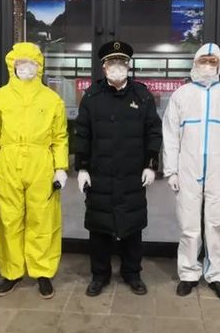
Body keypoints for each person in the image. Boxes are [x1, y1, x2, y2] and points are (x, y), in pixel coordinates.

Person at [162, 43, 220, 302]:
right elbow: (170, 135)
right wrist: (171, 171)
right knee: (189, 226)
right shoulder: (181, 95)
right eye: (204, 60)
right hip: (187, 170)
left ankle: (217, 276)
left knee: (217, 224)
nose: (208, 66)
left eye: (213, 61)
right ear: (195, 62)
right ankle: (189, 274)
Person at [74, 41, 162, 297]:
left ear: (128, 66)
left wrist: (151, 164)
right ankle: (99, 275)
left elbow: (153, 131)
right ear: (103, 67)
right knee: (99, 227)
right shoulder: (92, 96)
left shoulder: (142, 96)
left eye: (121, 62)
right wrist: (82, 168)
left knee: (132, 227)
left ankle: (132, 273)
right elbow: (82, 133)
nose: (116, 67)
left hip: (132, 174)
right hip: (100, 174)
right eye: (111, 63)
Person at [0, 42, 68, 299]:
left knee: (43, 218)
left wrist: (60, 167)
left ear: (39, 66)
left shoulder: (52, 99)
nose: (26, 68)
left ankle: (42, 272)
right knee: (8, 219)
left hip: (42, 163)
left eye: (31, 63)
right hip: (7, 163)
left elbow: (60, 137)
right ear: (12, 65)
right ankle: (12, 272)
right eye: (20, 63)